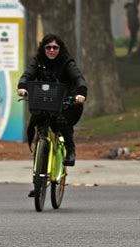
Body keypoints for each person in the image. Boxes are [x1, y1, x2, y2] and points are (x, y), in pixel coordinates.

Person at [17, 34, 87, 170]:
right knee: (39, 123)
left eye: (55, 47)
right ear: (43, 49)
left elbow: (78, 78)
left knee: (62, 121)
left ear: (60, 49)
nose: (52, 50)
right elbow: (27, 75)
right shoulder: (38, 61)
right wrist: (22, 87)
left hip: (67, 103)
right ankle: (38, 179)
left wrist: (81, 93)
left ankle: (70, 151)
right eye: (48, 47)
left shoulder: (67, 62)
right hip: (45, 101)